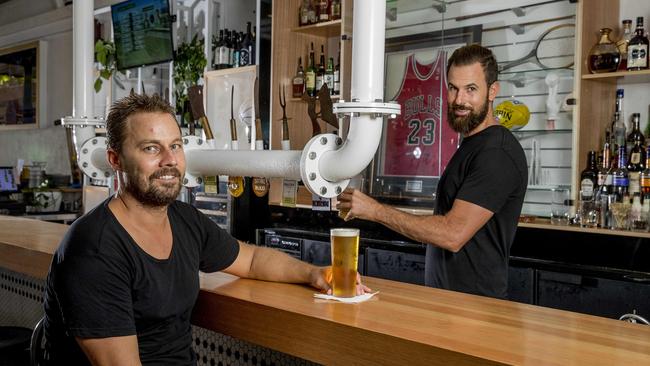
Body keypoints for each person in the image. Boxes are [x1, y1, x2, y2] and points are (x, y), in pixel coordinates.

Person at [43, 93, 369, 365]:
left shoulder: (183, 219)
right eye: (151, 148)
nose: (170, 160)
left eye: (176, 145)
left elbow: (252, 260)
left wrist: (313, 274)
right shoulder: (94, 250)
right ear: (115, 160)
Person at [337, 44, 527, 299]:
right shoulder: (473, 145)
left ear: (493, 91)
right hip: (451, 303)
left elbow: (452, 234)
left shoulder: (497, 152)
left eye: (471, 89)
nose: (459, 100)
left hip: (476, 309)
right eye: (453, 88)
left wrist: (374, 210)